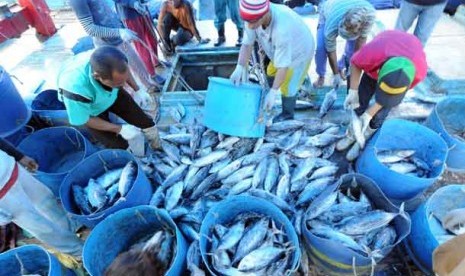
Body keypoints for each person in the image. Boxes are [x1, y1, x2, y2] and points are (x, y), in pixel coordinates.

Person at [337, 30, 427, 161]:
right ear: (379, 72)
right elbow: (355, 64)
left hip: (404, 64)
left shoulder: (418, 73)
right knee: (360, 100)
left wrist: (370, 113)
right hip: (381, 57)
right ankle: (352, 134)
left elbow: (389, 97)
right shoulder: (372, 54)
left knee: (381, 113)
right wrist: (353, 91)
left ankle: (363, 138)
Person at [57, 46, 161, 150]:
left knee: (146, 122)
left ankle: (157, 148)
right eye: (119, 83)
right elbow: (85, 119)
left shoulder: (115, 60)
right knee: (118, 145)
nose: (124, 85)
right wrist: (119, 129)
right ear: (97, 76)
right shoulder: (74, 89)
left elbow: (124, 71)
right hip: (90, 109)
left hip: (112, 92)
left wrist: (137, 89)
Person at [230, 0, 315, 121]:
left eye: (253, 22)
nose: (249, 26)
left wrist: (274, 92)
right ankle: (289, 86)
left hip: (299, 51)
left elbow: (283, 67)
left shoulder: (281, 28)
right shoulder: (252, 17)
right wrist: (239, 67)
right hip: (279, 50)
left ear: (264, 14)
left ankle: (287, 114)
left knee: (288, 87)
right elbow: (247, 44)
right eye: (247, 22)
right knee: (270, 72)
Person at [0, 138, 83, 256]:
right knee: (42, 228)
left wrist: (20, 157)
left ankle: (70, 227)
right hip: (3, 198)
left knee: (47, 200)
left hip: (12, 168)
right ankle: (79, 251)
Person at [69, 0, 162, 91]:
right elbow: (90, 29)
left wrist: (133, 4)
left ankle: (148, 86)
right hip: (106, 45)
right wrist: (119, 32)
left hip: (119, 36)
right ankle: (134, 95)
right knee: (119, 76)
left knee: (136, 63)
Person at [313, 0, 375, 89]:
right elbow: (331, 51)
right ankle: (321, 75)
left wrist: (353, 68)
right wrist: (336, 75)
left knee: (351, 51)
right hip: (330, 10)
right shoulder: (332, 24)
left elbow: (360, 46)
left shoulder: (370, 16)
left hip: (354, 13)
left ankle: (341, 66)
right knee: (321, 48)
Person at [113, 0, 166, 84]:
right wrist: (131, 3)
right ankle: (152, 74)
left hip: (142, 8)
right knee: (142, 46)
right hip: (129, 14)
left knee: (152, 38)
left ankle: (156, 61)